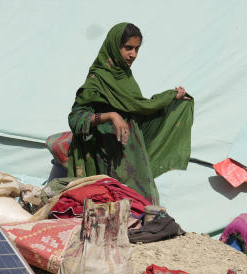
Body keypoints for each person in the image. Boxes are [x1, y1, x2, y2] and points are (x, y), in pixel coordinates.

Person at [66, 22, 194, 203]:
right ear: (114, 46)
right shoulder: (97, 79)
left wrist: (170, 98)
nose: (133, 55)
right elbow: (76, 118)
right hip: (106, 158)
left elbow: (138, 108)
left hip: (132, 156)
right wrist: (111, 116)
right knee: (115, 210)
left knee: (143, 207)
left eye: (136, 49)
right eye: (128, 48)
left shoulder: (126, 77)